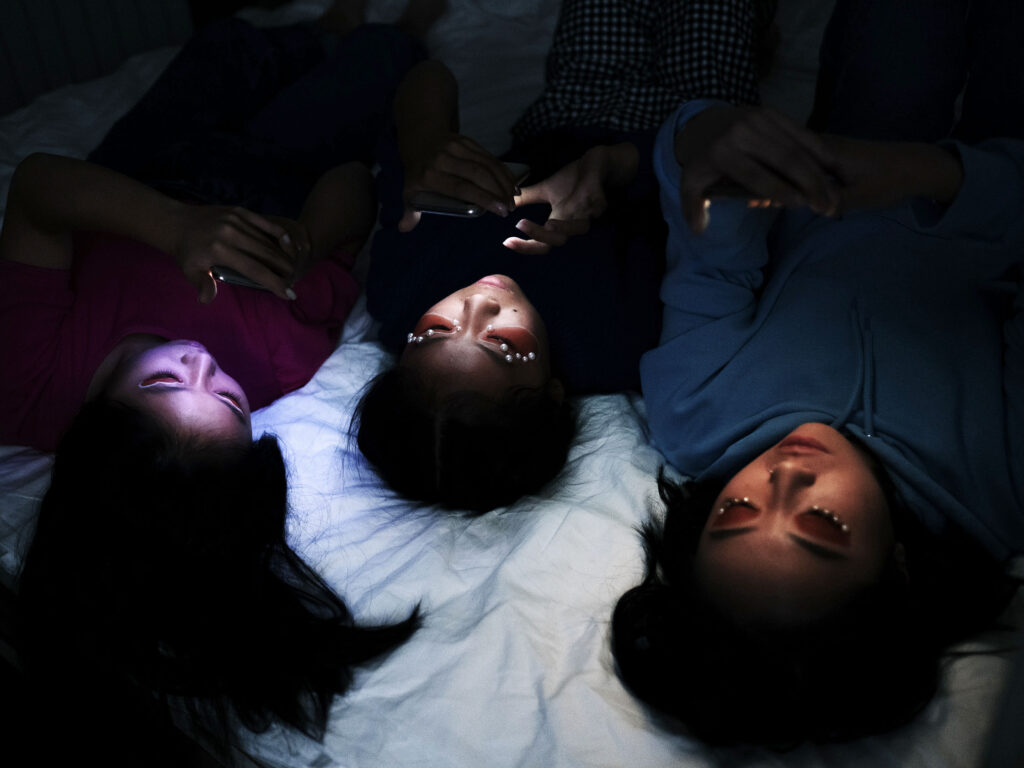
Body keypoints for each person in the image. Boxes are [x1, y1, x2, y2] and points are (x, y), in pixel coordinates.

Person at [1, 1, 437, 757]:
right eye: (230, 399)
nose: (205, 363)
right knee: (380, 61)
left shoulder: (32, 387)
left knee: (227, 48)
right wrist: (309, 240)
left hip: (147, 177)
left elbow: (37, 189)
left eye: (166, 382)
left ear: (95, 424)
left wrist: (175, 228)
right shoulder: (277, 362)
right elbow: (351, 188)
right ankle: (365, 32)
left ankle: (316, 30)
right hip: (273, 183)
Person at [611, 0, 1024, 747]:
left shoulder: (696, 416)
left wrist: (715, 148)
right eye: (822, 524)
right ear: (896, 569)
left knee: (898, 42)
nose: (784, 478)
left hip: (841, 154)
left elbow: (709, 251)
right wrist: (930, 175)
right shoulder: (999, 486)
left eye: (735, 512)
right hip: (989, 198)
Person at [355, 0, 775, 513]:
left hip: (570, 103)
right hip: (684, 122)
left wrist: (426, 144)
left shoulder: (402, 286)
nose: (476, 307)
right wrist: (618, 168)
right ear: (551, 394)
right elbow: (715, 207)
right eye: (503, 345)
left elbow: (427, 77)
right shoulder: (618, 339)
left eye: (435, 331)